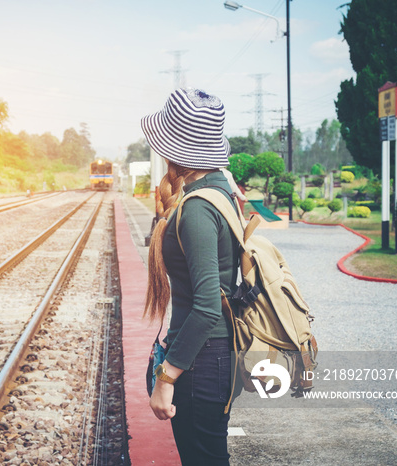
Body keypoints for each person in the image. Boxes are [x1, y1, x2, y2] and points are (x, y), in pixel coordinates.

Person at [141, 88, 241, 465]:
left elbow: (206, 307)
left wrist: (166, 378)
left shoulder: (198, 209)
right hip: (210, 358)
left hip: (200, 362)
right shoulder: (218, 189)